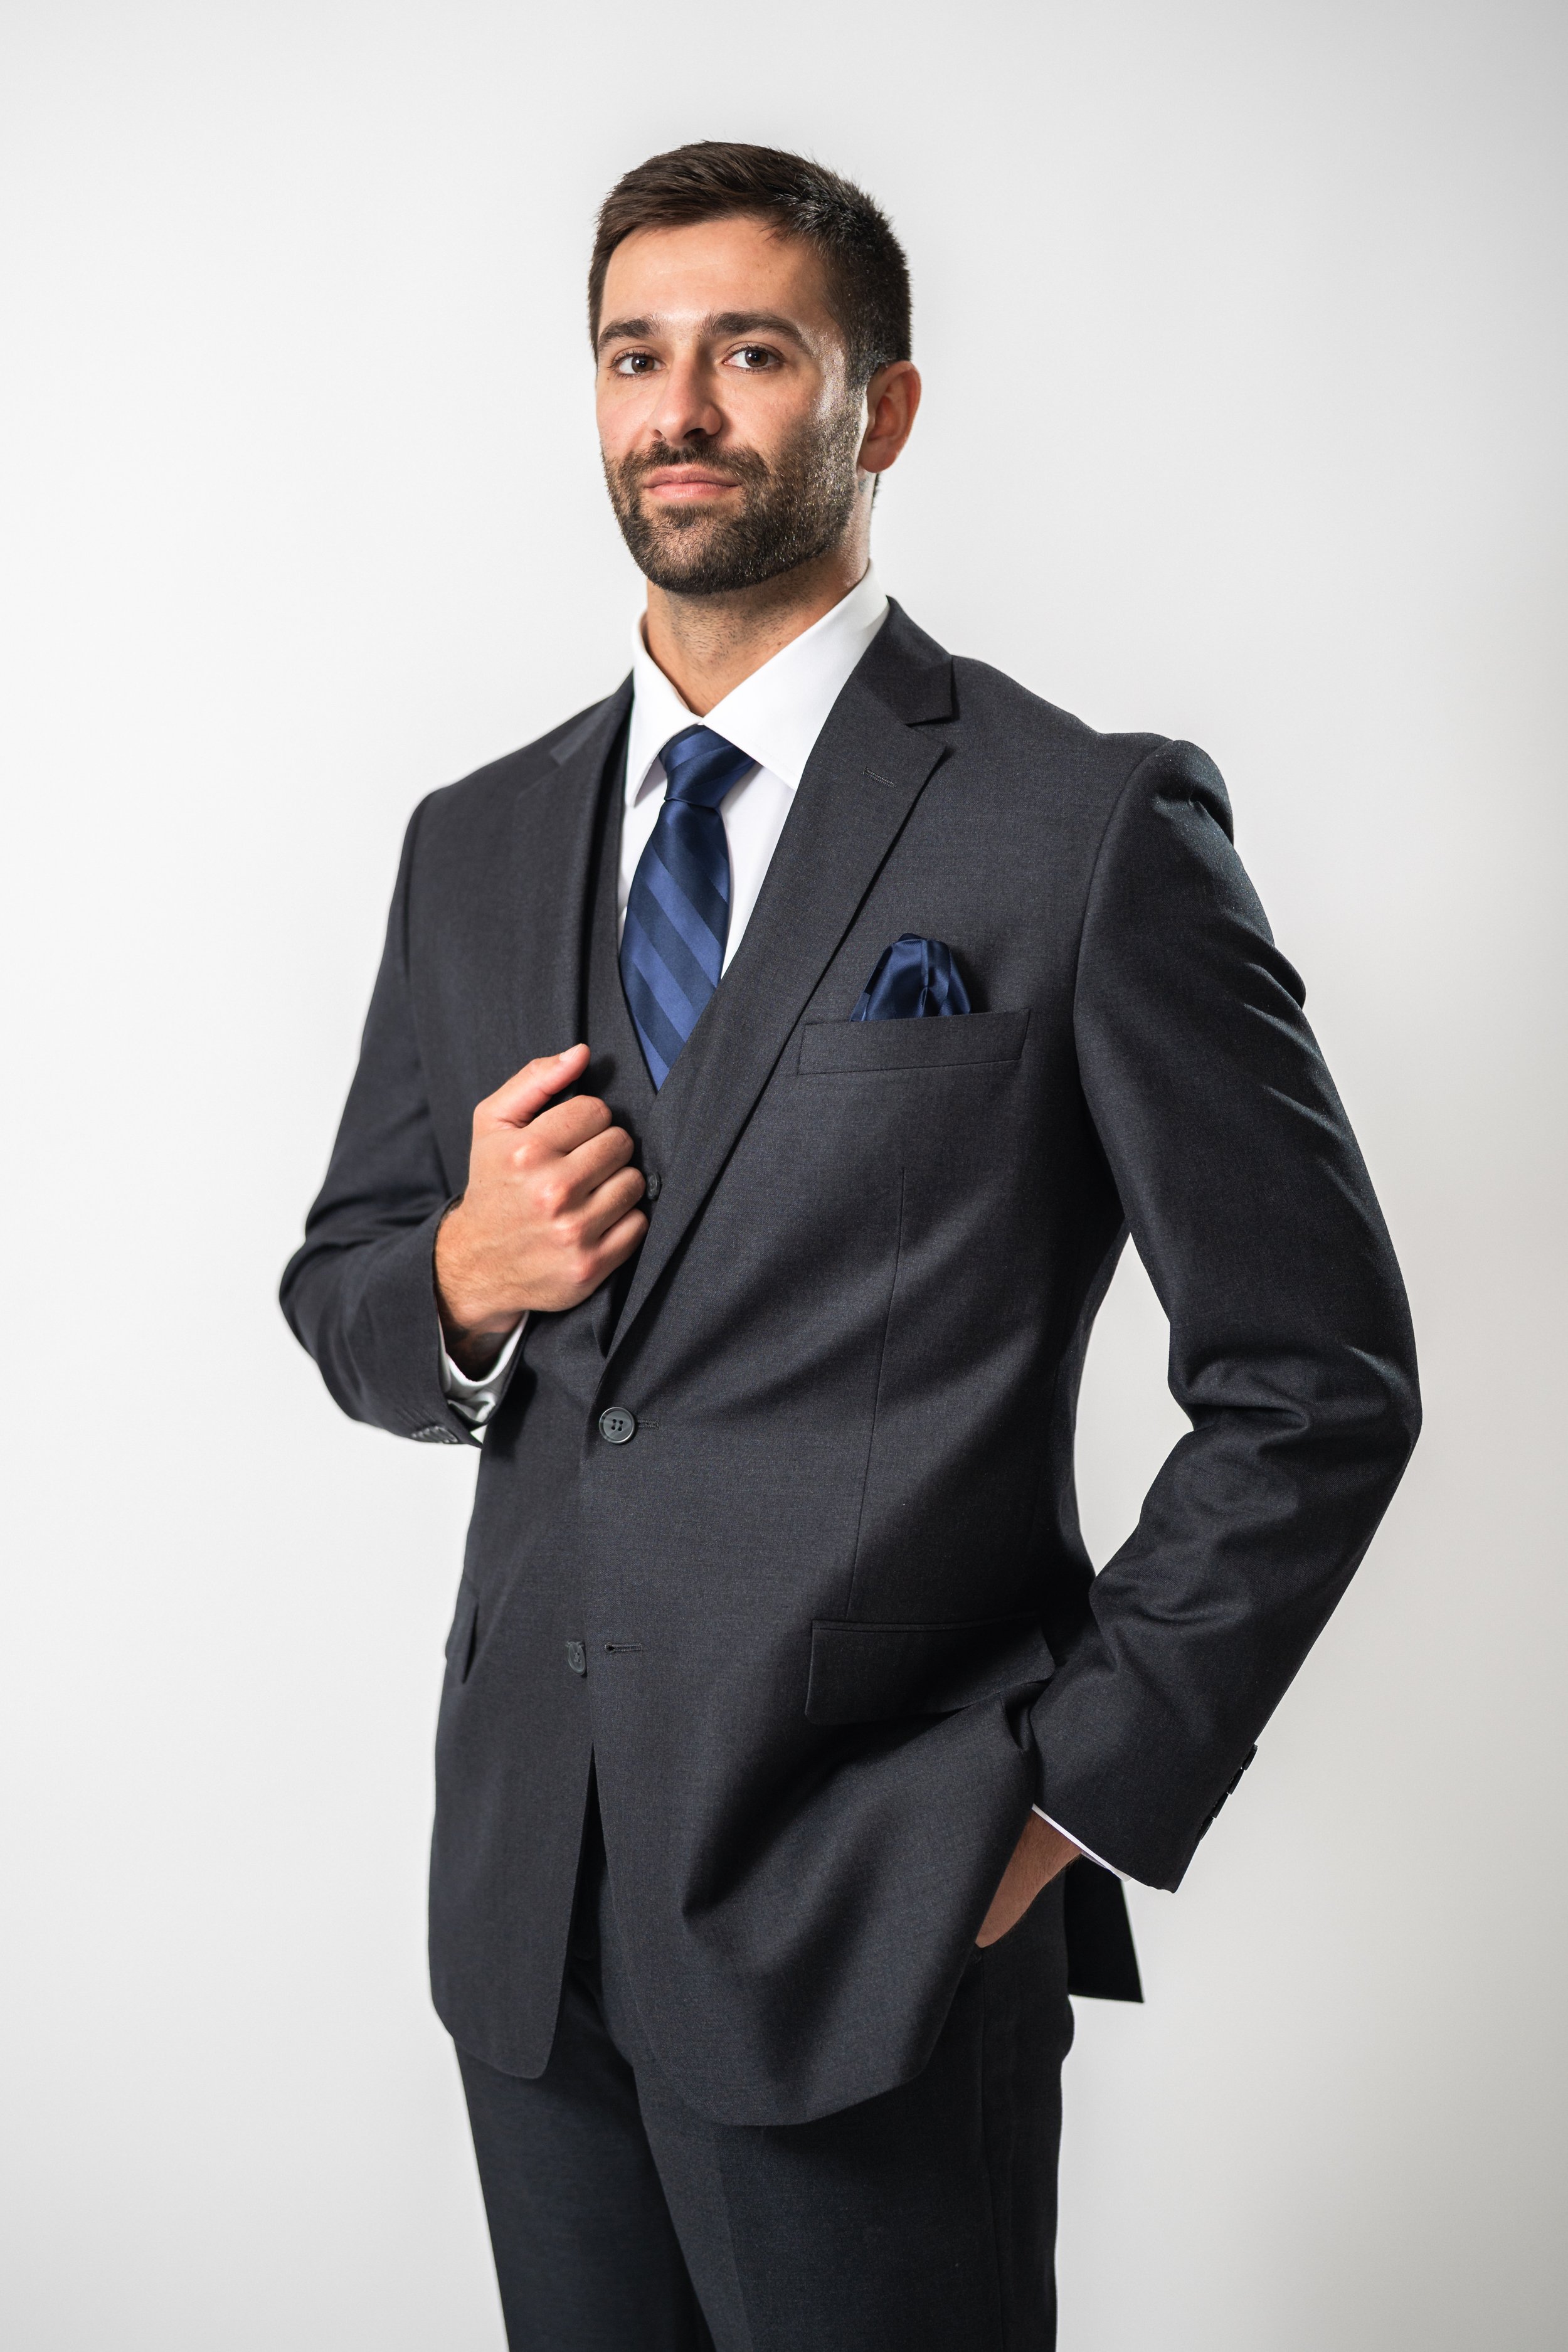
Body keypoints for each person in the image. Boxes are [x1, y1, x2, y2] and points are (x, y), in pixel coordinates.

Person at [280, 141, 1419, 2351]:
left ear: (877, 406)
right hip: (527, 1915)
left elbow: (1315, 1384)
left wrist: (1064, 1799)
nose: (678, 409)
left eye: (750, 353)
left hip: (882, 1915)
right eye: (633, 355)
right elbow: (348, 1284)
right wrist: (457, 1282)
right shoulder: (474, 841)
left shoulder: (1079, 824)